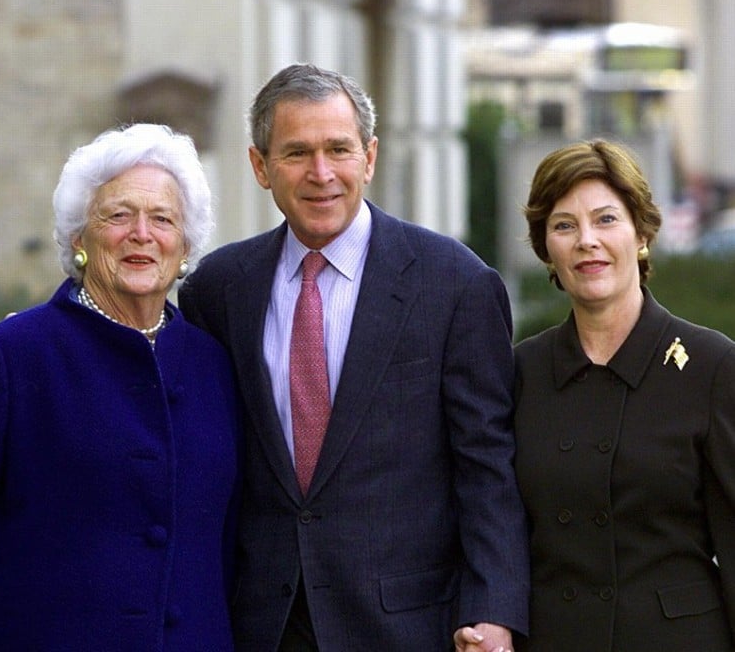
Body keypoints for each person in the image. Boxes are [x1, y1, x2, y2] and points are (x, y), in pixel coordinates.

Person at [178, 62, 529, 651]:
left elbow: (487, 466)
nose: (321, 174)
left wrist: (493, 610)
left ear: (368, 158)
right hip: (262, 624)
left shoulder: (456, 284)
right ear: (260, 167)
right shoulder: (216, 290)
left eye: (339, 149)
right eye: (297, 153)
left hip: (405, 624)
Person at [0, 123, 242, 651]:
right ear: (79, 237)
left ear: (185, 245)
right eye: (118, 215)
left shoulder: (215, 365)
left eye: (163, 218)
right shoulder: (9, 357)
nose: (142, 233)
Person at [513, 138, 735, 650]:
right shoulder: (520, 372)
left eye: (606, 219)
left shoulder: (711, 366)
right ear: (546, 247)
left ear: (642, 233)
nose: (587, 240)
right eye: (564, 225)